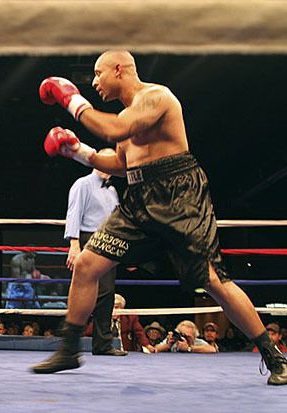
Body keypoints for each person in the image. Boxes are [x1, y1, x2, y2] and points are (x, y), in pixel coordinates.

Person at [32, 50, 287, 385]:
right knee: (87, 264)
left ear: (119, 70)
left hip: (179, 196)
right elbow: (123, 164)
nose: (94, 82)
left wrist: (72, 100)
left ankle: (274, 357)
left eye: (98, 73)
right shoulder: (128, 113)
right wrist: (78, 152)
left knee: (212, 280)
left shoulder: (156, 97)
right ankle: (68, 349)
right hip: (139, 199)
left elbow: (115, 129)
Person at [64, 148, 125, 356]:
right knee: (83, 292)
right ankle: (70, 344)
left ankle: (103, 344)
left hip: (109, 241)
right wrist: (74, 245)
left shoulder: (112, 191)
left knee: (107, 294)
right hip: (88, 239)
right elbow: (74, 215)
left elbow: (118, 222)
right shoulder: (82, 184)